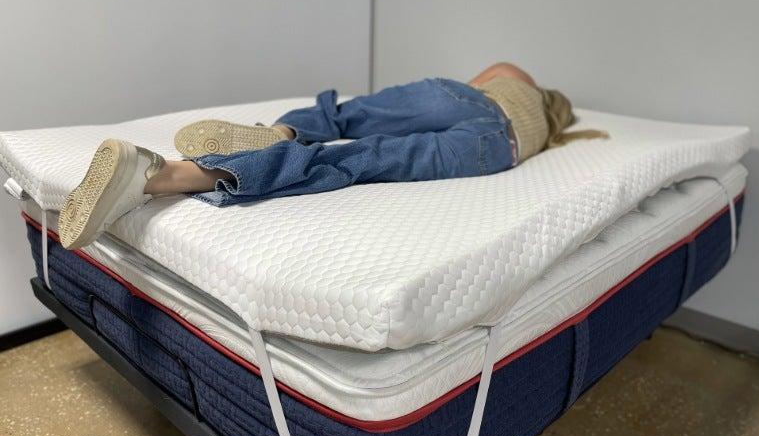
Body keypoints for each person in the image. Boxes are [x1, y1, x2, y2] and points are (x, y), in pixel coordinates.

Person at [57, 62, 606, 250]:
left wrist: (480, 84)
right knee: (362, 160)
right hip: (497, 147)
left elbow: (483, 77)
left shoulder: (515, 77)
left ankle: (283, 130)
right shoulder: (550, 124)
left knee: (353, 116)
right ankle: (165, 176)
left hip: (467, 96)